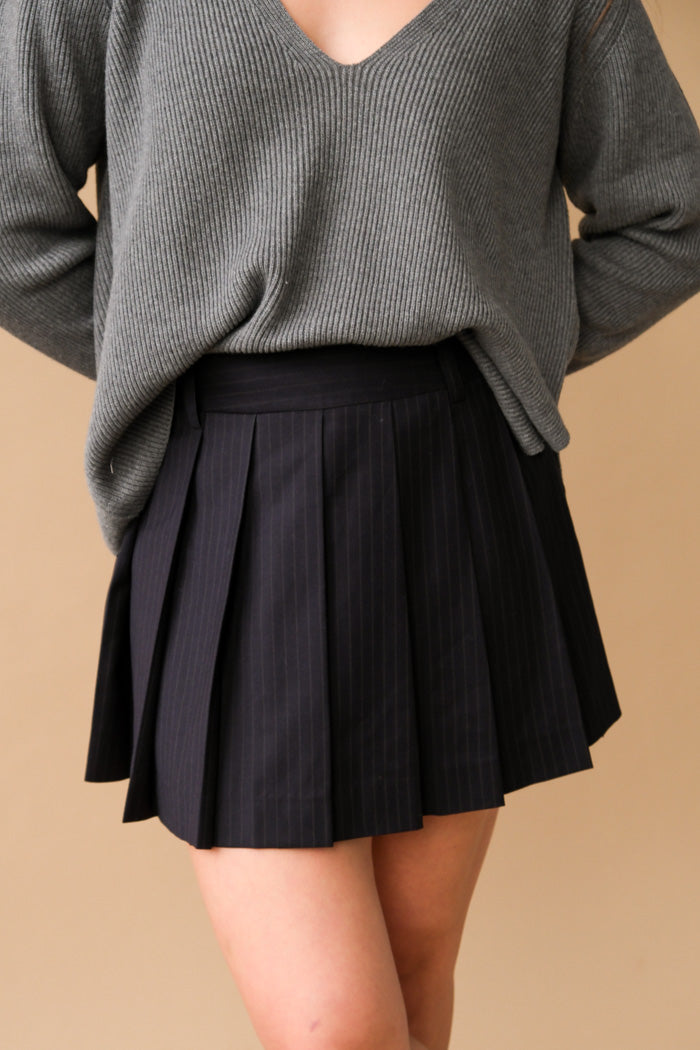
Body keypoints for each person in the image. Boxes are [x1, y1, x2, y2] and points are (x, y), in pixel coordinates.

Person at [1, 1, 699, 1048]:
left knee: (415, 982)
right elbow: (9, 213)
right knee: (339, 1029)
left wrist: (517, 337)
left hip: (460, 483)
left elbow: (672, 207)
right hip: (235, 496)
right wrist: (157, 344)